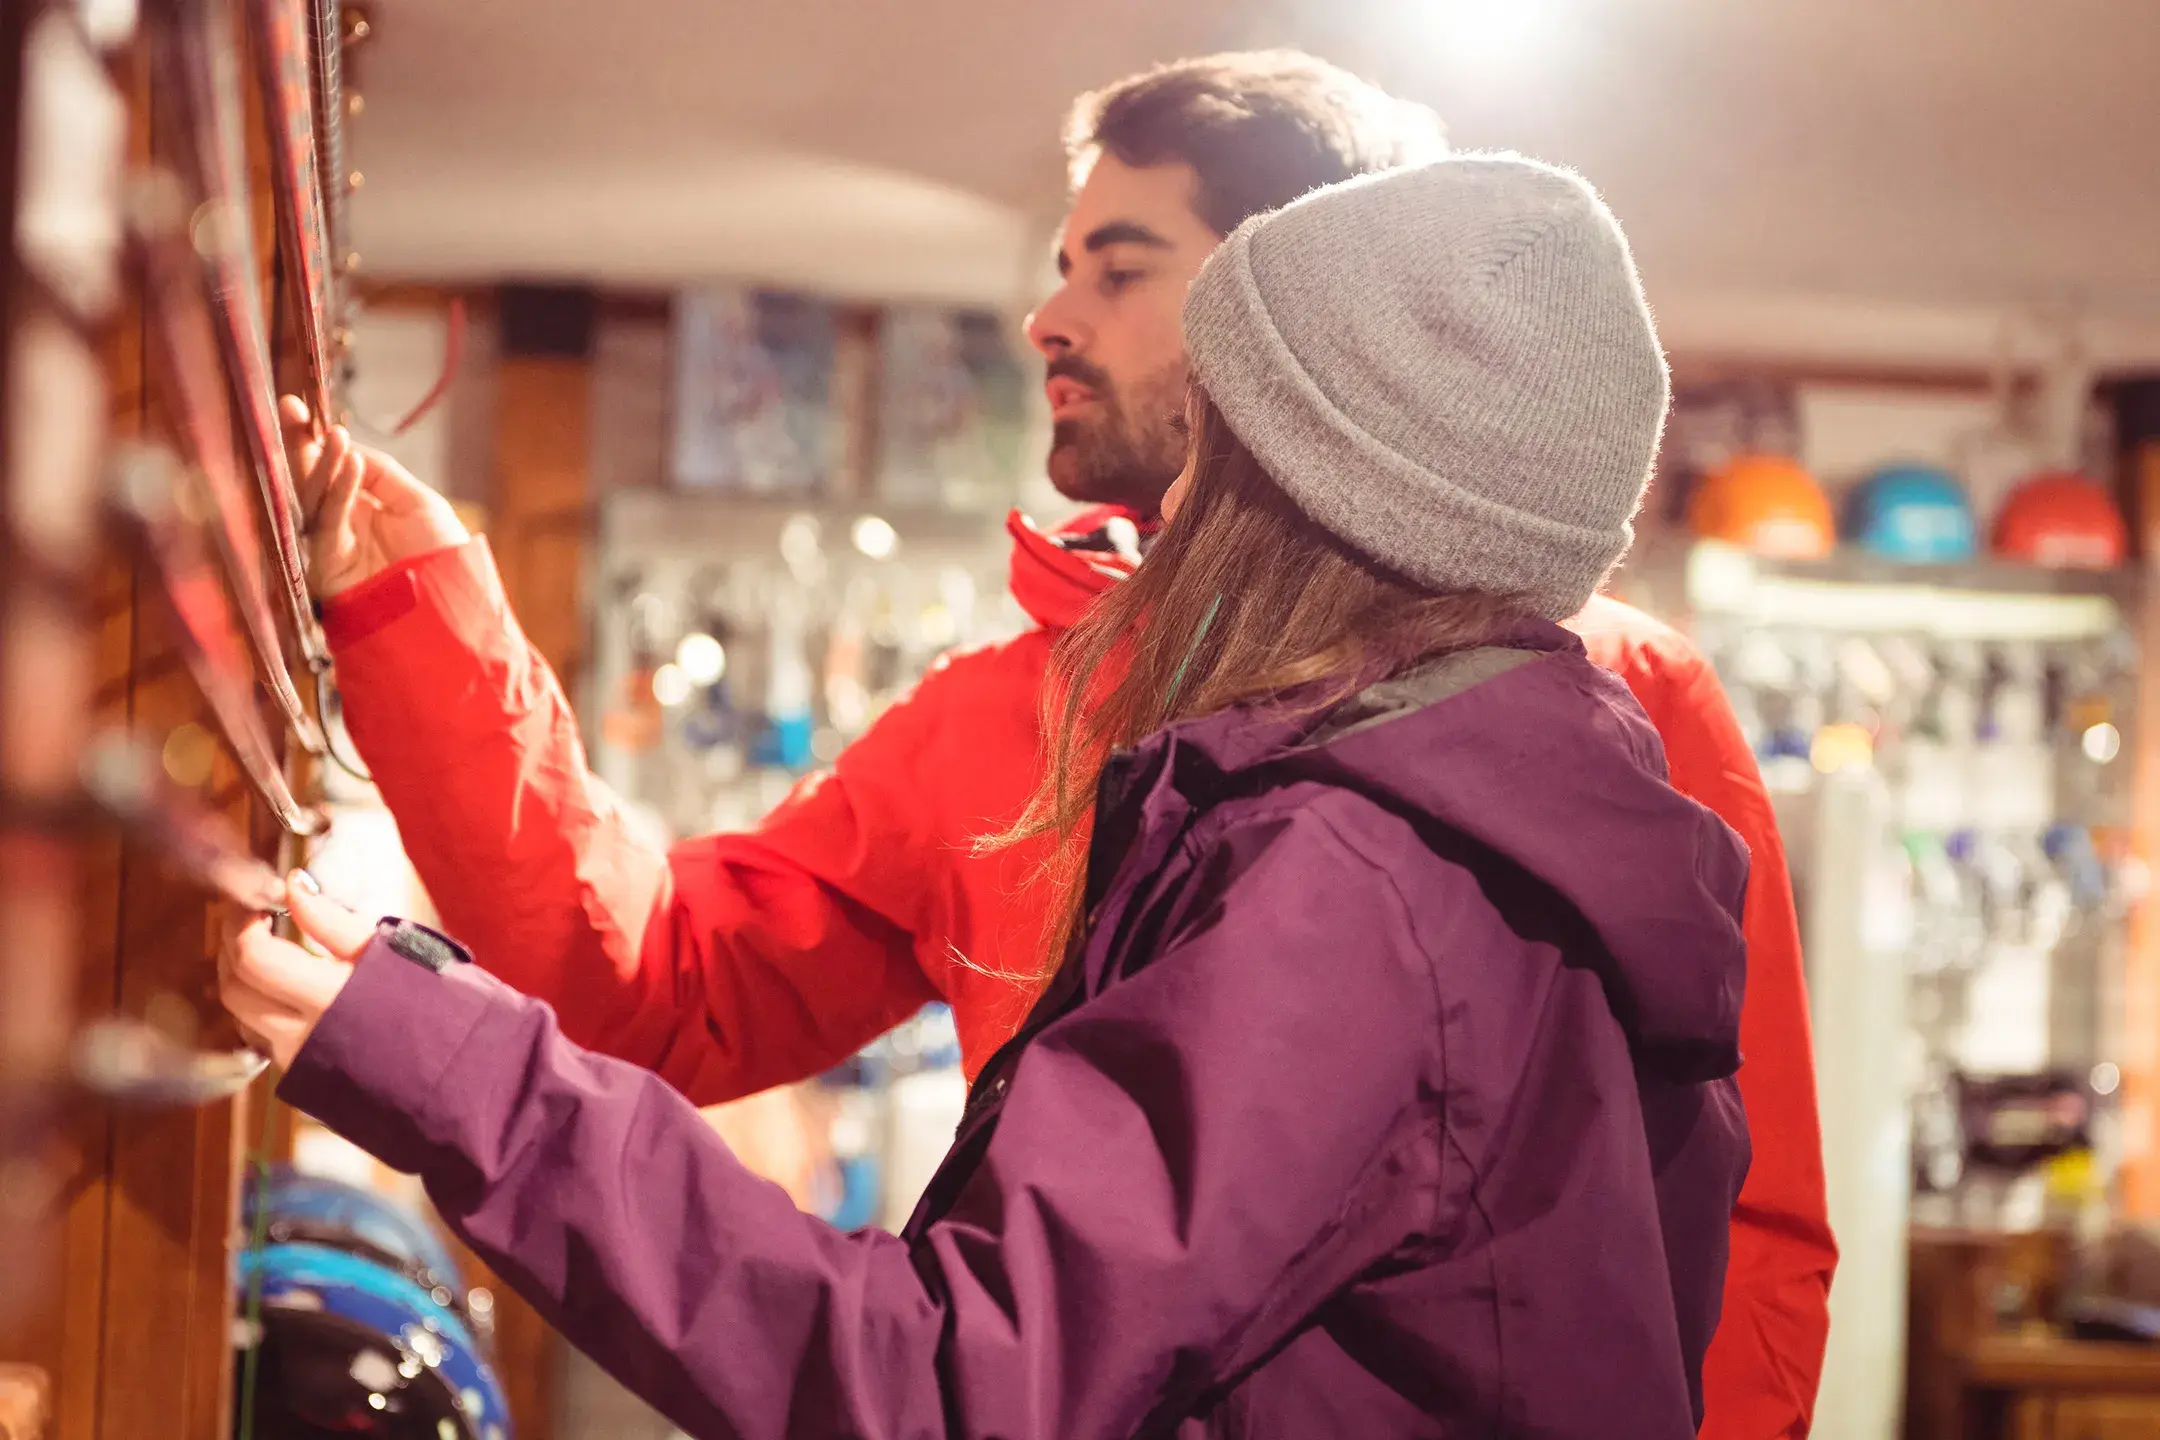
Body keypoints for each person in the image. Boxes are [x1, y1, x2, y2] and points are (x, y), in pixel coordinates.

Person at [282, 51, 1831, 1436]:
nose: (1050, 317)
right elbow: (660, 980)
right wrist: (419, 610)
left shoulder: (1555, 728)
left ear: (1310, 332)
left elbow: (1728, 1230)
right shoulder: (1020, 708)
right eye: (1062, 263)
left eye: (1123, 268)